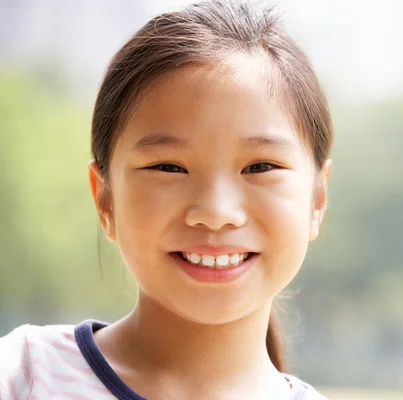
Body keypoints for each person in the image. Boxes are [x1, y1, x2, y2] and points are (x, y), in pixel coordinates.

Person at [0, 1, 333, 398]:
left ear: (317, 199)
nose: (215, 213)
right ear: (105, 200)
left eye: (260, 167)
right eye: (168, 168)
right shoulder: (24, 374)